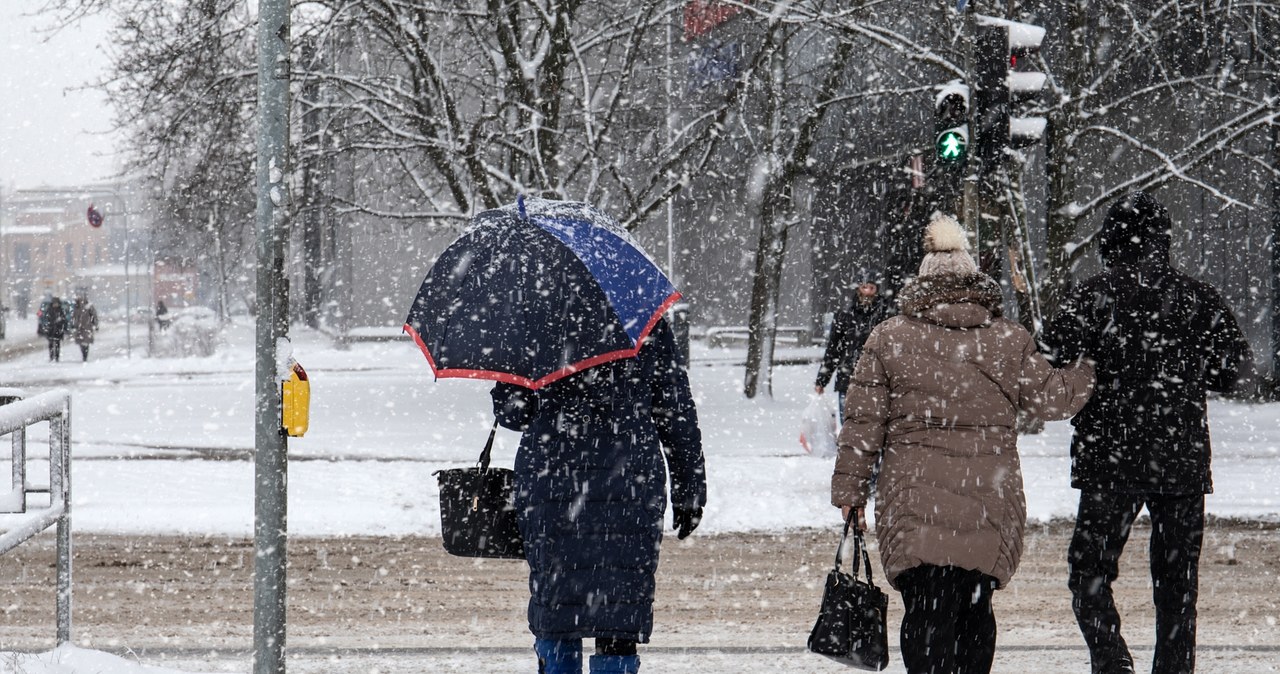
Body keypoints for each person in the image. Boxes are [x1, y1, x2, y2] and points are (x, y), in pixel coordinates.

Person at [832, 213, 1095, 674]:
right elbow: (1055, 398)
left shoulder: (888, 338)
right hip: (988, 498)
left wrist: (850, 494)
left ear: (921, 281)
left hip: (913, 501)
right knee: (976, 612)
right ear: (975, 279)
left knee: (924, 611)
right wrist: (1091, 365)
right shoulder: (1007, 340)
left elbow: (862, 424)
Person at [1041, 192, 1252, 674]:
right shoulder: (1197, 298)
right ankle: (1173, 668)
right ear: (1163, 242)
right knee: (1178, 584)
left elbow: (1048, 355)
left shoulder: (1093, 297)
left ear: (1111, 242)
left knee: (1089, 570)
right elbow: (1233, 371)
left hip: (1109, 454)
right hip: (1179, 456)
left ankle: (1111, 660)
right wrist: (1186, 366)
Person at [490, 317, 706, 674]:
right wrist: (690, 488)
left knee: (558, 609)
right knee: (620, 610)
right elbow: (675, 410)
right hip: (630, 481)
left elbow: (515, 413)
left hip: (553, 479)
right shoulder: (644, 320)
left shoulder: (533, 321)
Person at [814, 280, 890, 413]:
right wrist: (822, 380)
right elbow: (833, 349)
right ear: (858, 289)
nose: (867, 292)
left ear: (877, 290)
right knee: (848, 424)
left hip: (877, 380)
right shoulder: (844, 316)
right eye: (864, 287)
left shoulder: (886, 316)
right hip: (848, 379)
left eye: (871, 288)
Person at [71, 297, 99, 361]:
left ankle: (85, 356)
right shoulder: (78, 307)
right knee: (83, 342)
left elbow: (94, 316)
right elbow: (74, 317)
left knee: (84, 342)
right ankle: (84, 355)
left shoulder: (87, 307)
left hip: (85, 327)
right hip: (82, 328)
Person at [41, 297, 68, 362]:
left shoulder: (60, 310)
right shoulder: (49, 310)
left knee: (57, 344)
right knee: (51, 344)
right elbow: (46, 318)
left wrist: (61, 324)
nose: (55, 305)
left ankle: (57, 357)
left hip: (58, 330)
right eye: (54, 303)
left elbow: (64, 320)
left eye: (56, 303)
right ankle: (51, 356)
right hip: (51, 330)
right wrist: (49, 325)